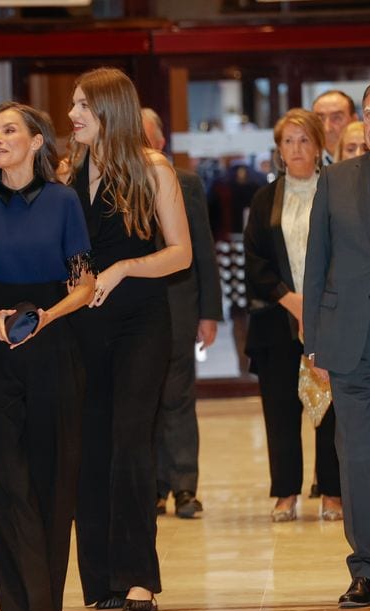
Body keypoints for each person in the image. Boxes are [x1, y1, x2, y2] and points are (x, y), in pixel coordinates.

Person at [0, 102, 94, 611]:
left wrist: (47, 316)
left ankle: (44, 601)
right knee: (6, 477)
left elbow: (84, 282)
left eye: (10, 130)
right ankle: (17, 606)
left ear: (36, 141)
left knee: (52, 474)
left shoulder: (63, 203)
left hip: (54, 347)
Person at [63, 67, 191, 611]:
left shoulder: (153, 168)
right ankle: (101, 579)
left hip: (141, 322)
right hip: (82, 326)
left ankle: (139, 576)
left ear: (109, 110)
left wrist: (122, 269)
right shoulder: (69, 174)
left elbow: (180, 253)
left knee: (131, 443)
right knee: (89, 449)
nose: (72, 115)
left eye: (82, 106)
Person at [244, 108, 341, 523]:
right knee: (280, 409)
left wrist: (317, 303)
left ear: (319, 145)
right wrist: (291, 299)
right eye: (288, 141)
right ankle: (285, 491)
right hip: (277, 320)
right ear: (279, 149)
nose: (296, 149)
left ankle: (333, 492)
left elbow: (348, 252)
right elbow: (255, 261)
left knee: (331, 410)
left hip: (332, 318)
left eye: (304, 140)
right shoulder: (266, 198)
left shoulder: (337, 190)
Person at [140, 108, 224, 519]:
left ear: (160, 142)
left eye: (144, 136)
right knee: (144, 400)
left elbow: (203, 252)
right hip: (135, 311)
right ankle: (152, 487)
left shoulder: (186, 183)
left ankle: (185, 488)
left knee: (178, 398)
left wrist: (209, 313)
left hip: (178, 305)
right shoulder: (116, 184)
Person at [305, 83, 370, 608]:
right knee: (357, 458)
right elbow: (317, 260)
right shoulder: (336, 180)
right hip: (350, 340)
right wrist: (313, 342)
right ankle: (365, 567)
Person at [312, 90, 358, 166]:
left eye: (336, 118)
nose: (327, 129)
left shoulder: (365, 161)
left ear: (354, 120)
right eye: (320, 119)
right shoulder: (307, 165)